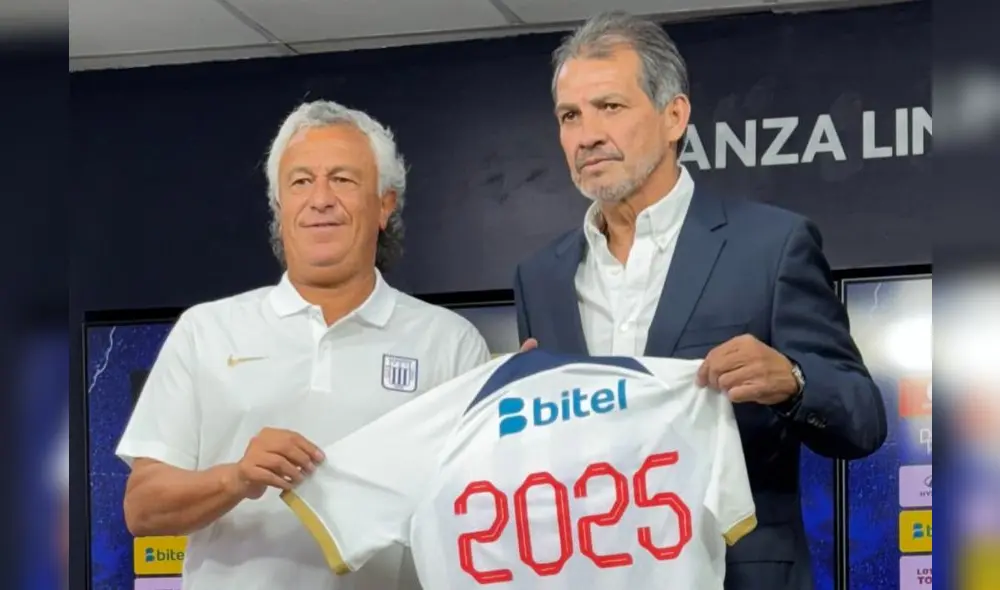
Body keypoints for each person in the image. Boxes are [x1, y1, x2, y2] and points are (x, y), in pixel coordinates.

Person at [513, 11, 887, 590]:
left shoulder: (771, 246)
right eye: (570, 116)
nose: (586, 135)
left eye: (609, 106)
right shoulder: (540, 277)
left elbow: (862, 419)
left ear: (674, 116)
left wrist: (793, 380)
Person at [116, 100, 491, 590]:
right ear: (279, 208)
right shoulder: (205, 331)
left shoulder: (450, 343)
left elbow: (484, 509)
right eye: (300, 182)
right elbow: (143, 507)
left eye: (343, 179)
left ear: (384, 205)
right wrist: (237, 478)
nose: (320, 199)